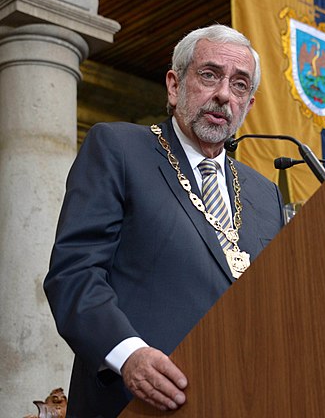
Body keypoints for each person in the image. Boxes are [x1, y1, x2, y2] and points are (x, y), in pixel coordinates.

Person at [44, 24, 285, 417]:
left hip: (241, 400)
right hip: (135, 403)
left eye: (240, 85)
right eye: (210, 75)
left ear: (249, 105)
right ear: (174, 85)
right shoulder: (119, 148)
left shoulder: (264, 193)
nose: (224, 94)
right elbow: (74, 275)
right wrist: (128, 354)